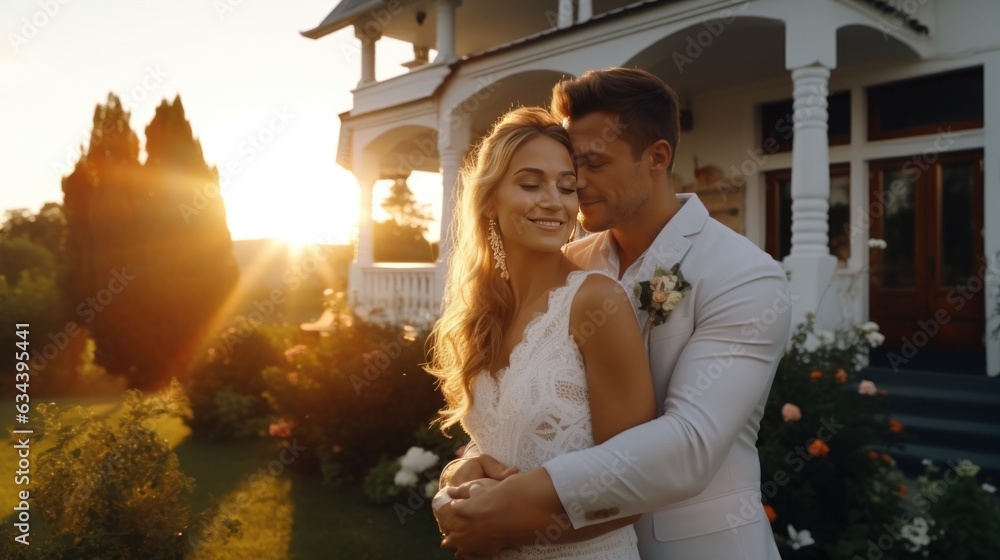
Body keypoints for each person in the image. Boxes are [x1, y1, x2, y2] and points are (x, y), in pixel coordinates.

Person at [434, 68, 793, 559]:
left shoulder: (744, 275)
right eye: (571, 165)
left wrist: (512, 502)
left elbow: (690, 444)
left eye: (593, 163)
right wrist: (469, 467)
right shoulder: (570, 265)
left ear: (657, 158)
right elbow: (540, 411)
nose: (576, 183)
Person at [426, 106, 657, 559]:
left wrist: (499, 530)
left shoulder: (595, 303)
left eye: (566, 186)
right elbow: (500, 438)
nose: (554, 200)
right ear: (490, 199)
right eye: (530, 184)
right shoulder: (483, 311)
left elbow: (632, 484)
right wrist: (459, 473)